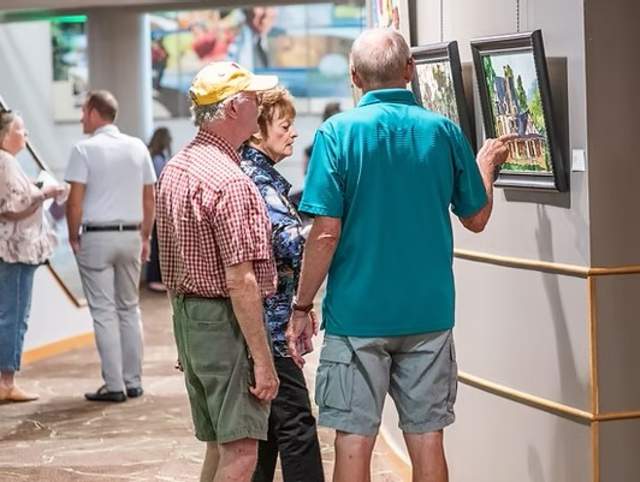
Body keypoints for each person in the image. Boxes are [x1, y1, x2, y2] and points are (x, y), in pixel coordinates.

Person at [286, 29, 515, 482]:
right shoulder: (443, 131)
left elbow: (326, 234)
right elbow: (476, 218)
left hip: (356, 317)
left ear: (354, 76)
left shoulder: (337, 134)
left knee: (353, 440)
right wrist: (485, 166)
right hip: (429, 314)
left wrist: (301, 304)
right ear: (409, 70)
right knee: (427, 439)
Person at [155, 61, 280, 482]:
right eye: (254, 99)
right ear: (233, 108)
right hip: (225, 323)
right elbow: (240, 280)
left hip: (190, 319)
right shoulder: (230, 181)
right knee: (242, 450)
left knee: (220, 443)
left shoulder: (177, 168)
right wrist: (263, 362)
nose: (260, 105)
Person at [239, 87, 323, 482]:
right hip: (270, 329)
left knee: (270, 430)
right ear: (257, 132)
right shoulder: (258, 180)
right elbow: (290, 243)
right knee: (296, 427)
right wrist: (330, 229)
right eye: (285, 126)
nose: (293, 134)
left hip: (267, 322)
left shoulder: (257, 175)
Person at [65, 90, 156, 403]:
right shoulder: (137, 147)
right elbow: (149, 198)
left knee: (104, 311)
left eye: (82, 111)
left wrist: (73, 234)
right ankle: (134, 381)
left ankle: (114, 385)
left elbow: (75, 200)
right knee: (129, 308)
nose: (80, 117)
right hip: (131, 235)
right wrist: (145, 237)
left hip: (97, 236)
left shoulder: (84, 149)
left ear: (93, 111)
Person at [0, 110, 67, 402]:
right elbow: (13, 207)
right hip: (15, 250)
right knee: (13, 316)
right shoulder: (5, 162)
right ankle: (6, 381)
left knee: (11, 314)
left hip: (15, 249)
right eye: (20, 129)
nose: (25, 135)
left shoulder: (7, 163)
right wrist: (46, 193)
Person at [146, 127, 172, 293]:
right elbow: (159, 184)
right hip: (158, 207)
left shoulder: (155, 157)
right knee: (157, 244)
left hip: (155, 206)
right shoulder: (158, 160)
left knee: (156, 243)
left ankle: (154, 278)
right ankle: (155, 279)